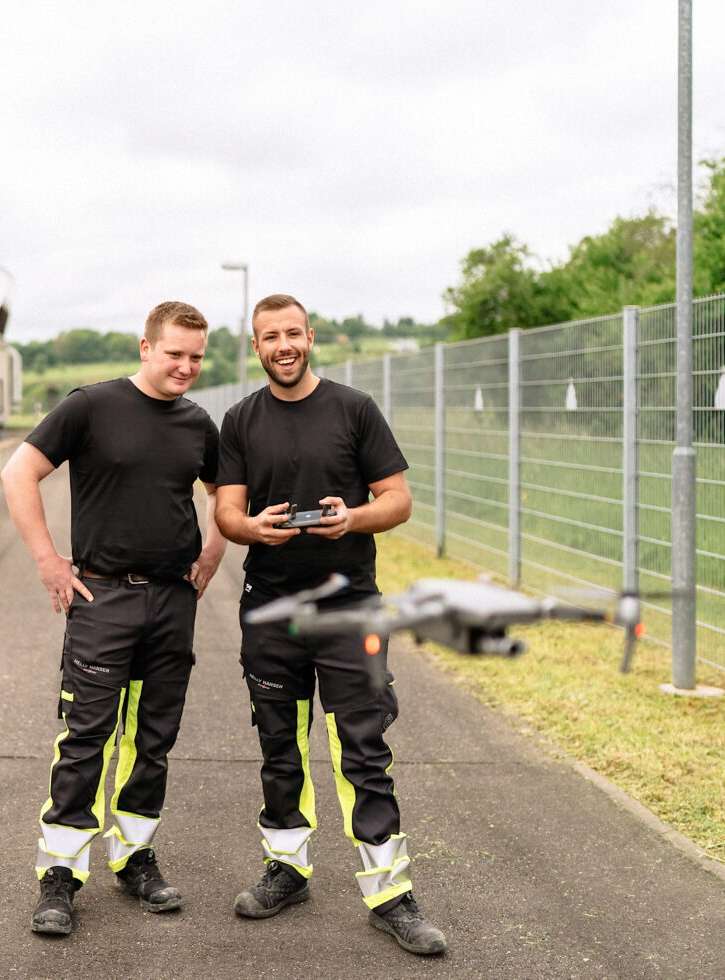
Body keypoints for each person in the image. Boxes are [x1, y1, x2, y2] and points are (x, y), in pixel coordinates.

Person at [213, 294, 447, 956]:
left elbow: (397, 498)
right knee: (279, 744)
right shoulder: (239, 419)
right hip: (270, 605)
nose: (282, 345)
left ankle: (389, 896)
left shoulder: (354, 408)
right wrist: (253, 528)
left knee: (364, 746)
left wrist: (356, 518)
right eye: (269, 337)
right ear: (255, 346)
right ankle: (286, 871)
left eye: (292, 333)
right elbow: (227, 512)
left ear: (309, 337)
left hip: (350, 604)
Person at [1, 300, 226, 937]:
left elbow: (221, 494)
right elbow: (18, 472)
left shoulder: (196, 423)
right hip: (103, 599)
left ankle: (134, 858)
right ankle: (61, 874)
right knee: (86, 738)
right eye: (174, 353)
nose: (185, 366)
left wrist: (213, 549)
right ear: (145, 348)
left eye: (196, 357)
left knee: (153, 738)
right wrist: (48, 558)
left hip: (172, 602)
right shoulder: (91, 406)